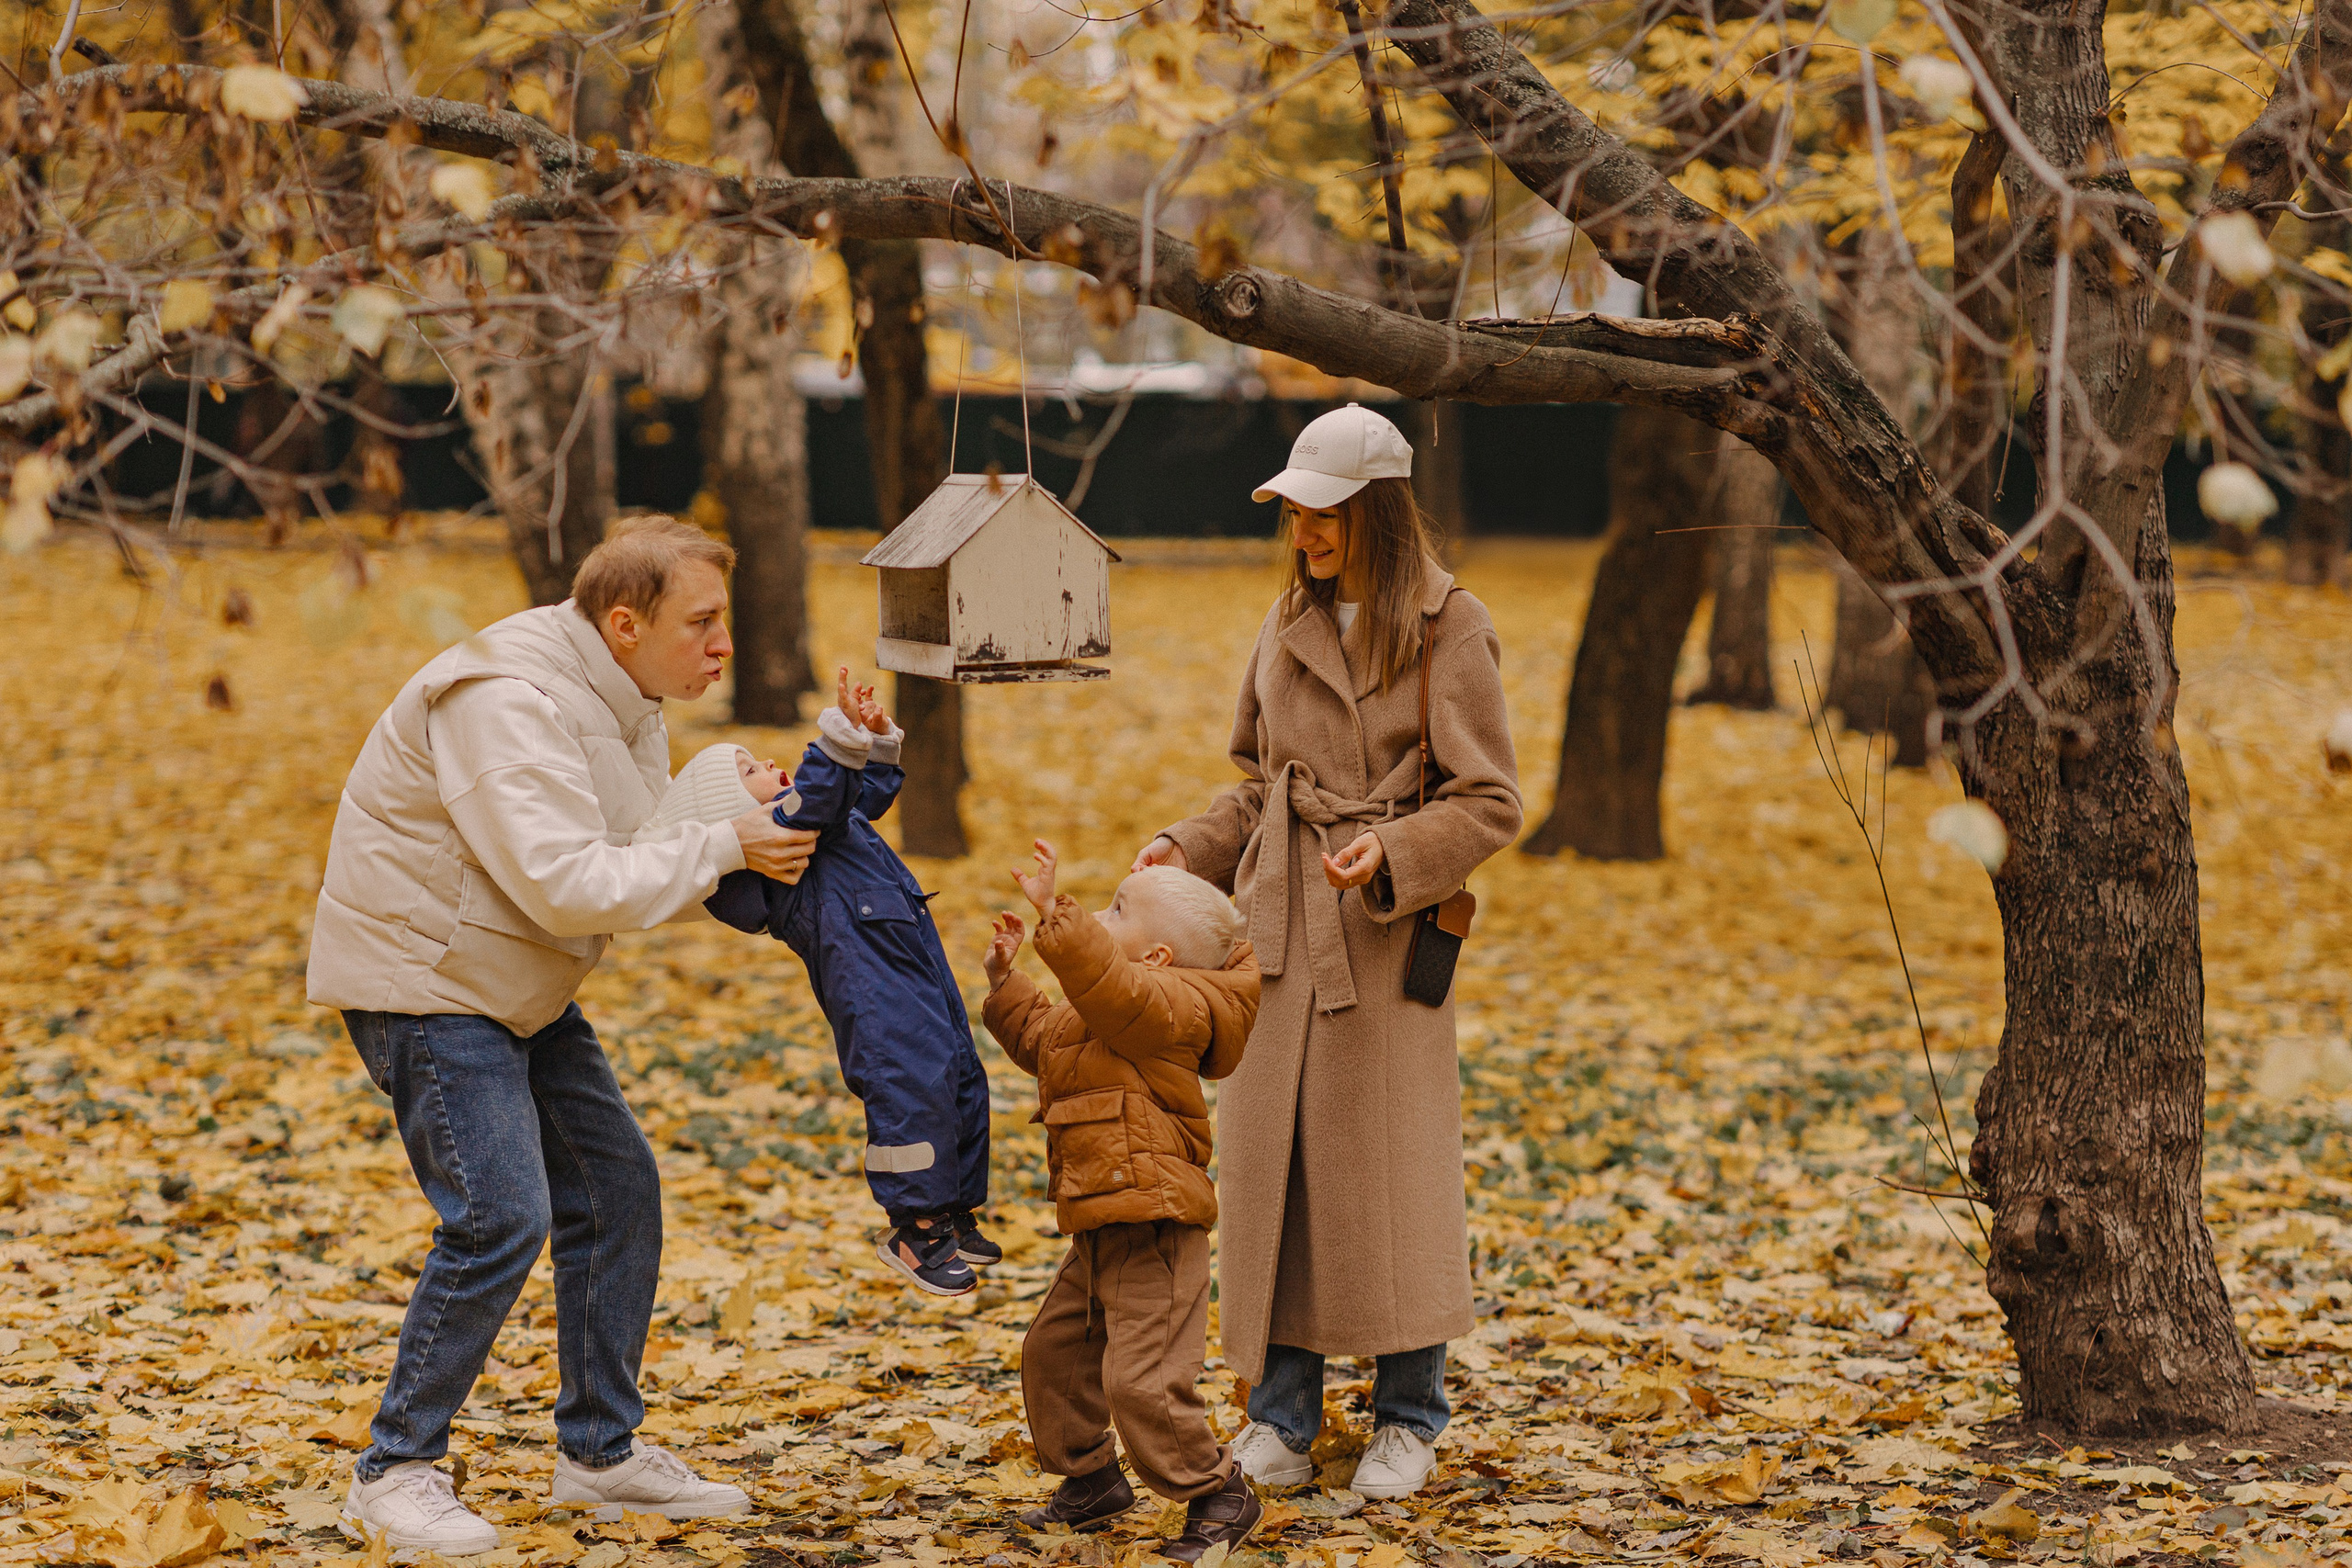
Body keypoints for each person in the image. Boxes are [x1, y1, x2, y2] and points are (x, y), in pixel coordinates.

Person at [307, 517, 821, 1559]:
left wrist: (730, 801)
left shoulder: (619, 692)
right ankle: (395, 1469)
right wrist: (726, 843)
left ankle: (599, 1454)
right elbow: (566, 880)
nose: (724, 644)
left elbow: (627, 843)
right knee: (501, 1215)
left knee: (617, 1188)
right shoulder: (507, 701)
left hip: (516, 983)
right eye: (704, 623)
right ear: (624, 622)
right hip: (432, 983)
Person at [1135, 404, 1522, 1500]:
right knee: (1279, 1184)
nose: (1301, 530)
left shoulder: (1453, 626)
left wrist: (1393, 851)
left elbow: (1488, 798)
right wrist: (1190, 845)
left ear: (1377, 513)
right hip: (1276, 932)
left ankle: (1409, 1416)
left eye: (1321, 511)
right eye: (1292, 511)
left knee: (1391, 1182)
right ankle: (1279, 1421)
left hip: (1387, 942)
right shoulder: (1282, 619)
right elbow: (1261, 786)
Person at [648, 670, 1000, 1295]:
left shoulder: (822, 822)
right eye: (752, 768)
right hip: (873, 985)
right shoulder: (785, 836)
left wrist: (876, 738)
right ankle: (912, 1228)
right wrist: (836, 732)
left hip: (912, 958)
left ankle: (952, 1210)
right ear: (738, 810)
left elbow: (865, 794)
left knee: (959, 1071)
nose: (770, 763)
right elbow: (821, 790)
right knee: (908, 1086)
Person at [979, 840, 1263, 1562]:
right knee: (1055, 1356)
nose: (1097, 916)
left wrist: (1057, 916)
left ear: (1159, 957)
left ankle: (1218, 1490)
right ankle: (1092, 1479)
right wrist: (1007, 984)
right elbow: (1046, 1040)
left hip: (1156, 1225)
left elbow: (1115, 989)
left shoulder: (1170, 1007)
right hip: (1099, 1221)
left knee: (1142, 1380)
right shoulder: (1101, 1006)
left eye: (1115, 909)